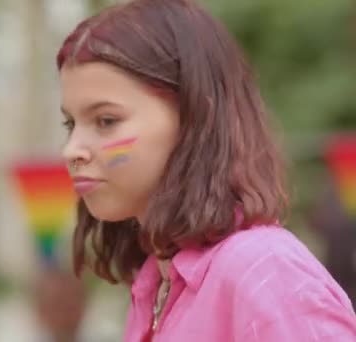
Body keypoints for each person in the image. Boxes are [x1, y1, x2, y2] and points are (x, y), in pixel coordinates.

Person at [55, 0, 356, 340]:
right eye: (71, 123)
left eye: (106, 121)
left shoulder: (263, 270)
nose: (72, 151)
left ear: (193, 119)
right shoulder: (154, 283)